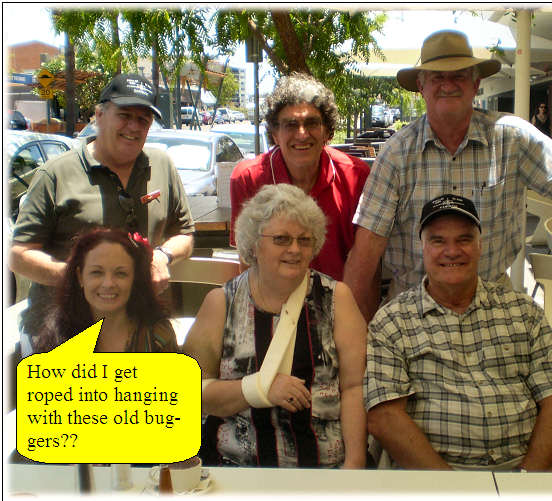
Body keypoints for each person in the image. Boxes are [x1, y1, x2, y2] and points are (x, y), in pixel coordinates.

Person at [344, 29, 552, 321]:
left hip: (490, 307)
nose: (448, 84)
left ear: (476, 84)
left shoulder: (512, 137)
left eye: (458, 75)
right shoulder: (396, 153)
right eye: (437, 77)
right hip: (413, 310)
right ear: (421, 87)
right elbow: (366, 253)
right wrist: (356, 337)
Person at [365, 194, 552, 471]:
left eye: (464, 239)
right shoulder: (391, 321)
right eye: (438, 240)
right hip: (434, 477)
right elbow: (384, 419)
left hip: (527, 470)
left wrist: (525, 484)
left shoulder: (523, 311)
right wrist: (457, 490)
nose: (452, 251)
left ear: (480, 247)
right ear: (422, 248)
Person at [183, 184, 367, 468]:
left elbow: (354, 387)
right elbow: (191, 393)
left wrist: (354, 465)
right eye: (281, 239)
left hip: (323, 471)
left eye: (304, 240)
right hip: (236, 467)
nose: (295, 249)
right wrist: (259, 388)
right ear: (254, 243)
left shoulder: (336, 299)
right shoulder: (221, 304)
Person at [9, 73, 194, 353]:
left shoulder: (161, 165)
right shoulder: (56, 174)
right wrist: (77, 278)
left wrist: (162, 256)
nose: (133, 126)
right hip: (64, 328)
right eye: (124, 115)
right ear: (99, 115)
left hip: (139, 324)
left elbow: (185, 233)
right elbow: (19, 255)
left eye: (143, 119)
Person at [229, 73, 370, 281]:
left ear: (327, 131)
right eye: (291, 125)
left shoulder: (355, 176)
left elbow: (365, 262)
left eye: (311, 123)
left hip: (339, 304)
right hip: (274, 304)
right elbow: (248, 262)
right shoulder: (247, 178)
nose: (302, 134)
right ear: (275, 134)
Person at [34, 227, 177, 353]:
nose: (108, 283)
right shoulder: (57, 337)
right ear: (80, 277)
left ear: (134, 279)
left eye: (120, 273)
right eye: (97, 272)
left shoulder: (158, 337)